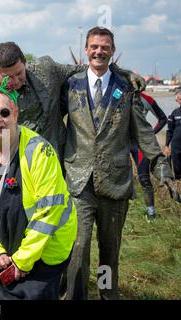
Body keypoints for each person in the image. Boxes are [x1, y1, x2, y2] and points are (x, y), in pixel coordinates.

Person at [62, 26, 175, 300]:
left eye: (105, 47)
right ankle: (76, 295)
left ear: (112, 51)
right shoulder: (70, 85)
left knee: (109, 248)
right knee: (79, 244)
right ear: (86, 50)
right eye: (94, 46)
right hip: (79, 180)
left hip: (115, 181)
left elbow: (144, 132)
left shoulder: (126, 87)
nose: (99, 51)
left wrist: (161, 165)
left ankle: (106, 293)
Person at [0, 77, 77, 300]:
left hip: (45, 249)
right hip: (2, 252)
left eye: (4, 113)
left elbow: (49, 212)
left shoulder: (39, 151)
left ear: (16, 112)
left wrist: (23, 259)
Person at [0, 42, 145, 162]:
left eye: (19, 73)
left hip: (55, 158)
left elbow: (85, 69)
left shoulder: (46, 70)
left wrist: (124, 73)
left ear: (25, 63)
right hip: (16, 162)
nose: (16, 80)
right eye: (8, 77)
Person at [130, 92, 167, 221]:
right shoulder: (117, 93)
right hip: (121, 142)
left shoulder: (146, 98)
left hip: (141, 144)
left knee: (144, 178)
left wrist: (150, 134)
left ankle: (151, 213)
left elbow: (163, 118)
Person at [164, 89, 181, 180]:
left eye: (178, 99)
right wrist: (166, 145)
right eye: (177, 99)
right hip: (176, 147)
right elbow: (170, 130)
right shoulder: (175, 113)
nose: (177, 101)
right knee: (177, 169)